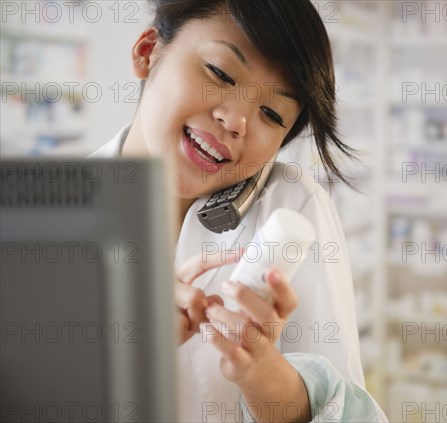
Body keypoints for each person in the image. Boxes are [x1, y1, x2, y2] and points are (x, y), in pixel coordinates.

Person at [91, 1, 387, 421]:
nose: (237, 122)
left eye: (271, 113)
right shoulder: (43, 219)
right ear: (148, 51)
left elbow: (350, 411)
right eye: (221, 74)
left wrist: (262, 372)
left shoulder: (290, 208)